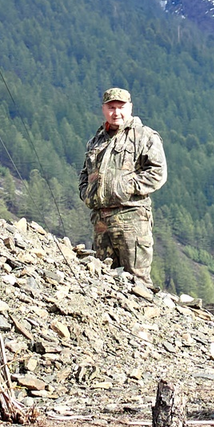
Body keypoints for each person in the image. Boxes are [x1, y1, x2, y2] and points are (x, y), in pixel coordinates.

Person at [78, 86, 167, 285]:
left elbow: (158, 173)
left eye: (120, 107)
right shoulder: (96, 141)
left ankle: (145, 315)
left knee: (138, 281)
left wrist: (126, 187)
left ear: (130, 108)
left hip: (132, 219)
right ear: (103, 109)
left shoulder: (145, 136)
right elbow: (85, 172)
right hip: (101, 221)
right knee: (103, 279)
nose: (116, 112)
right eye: (111, 107)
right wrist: (85, 193)